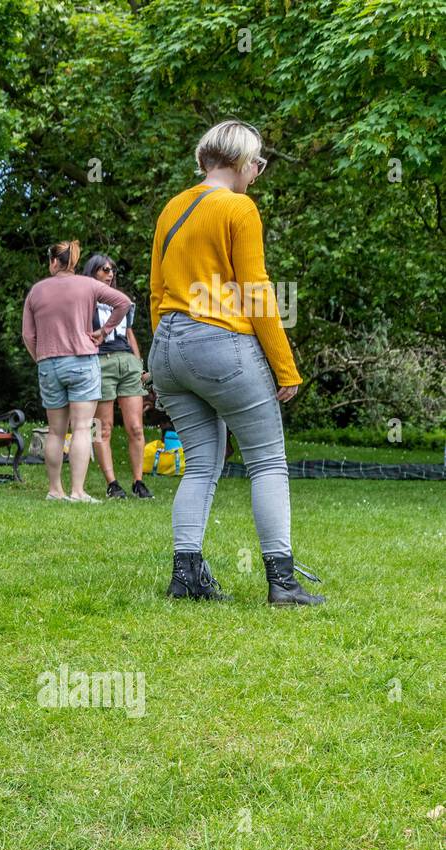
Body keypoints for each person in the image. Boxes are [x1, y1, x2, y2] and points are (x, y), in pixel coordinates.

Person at [148, 120, 322, 604]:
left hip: (168, 344)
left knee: (200, 464)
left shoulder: (172, 208)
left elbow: (156, 292)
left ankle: (186, 576)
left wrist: (160, 353)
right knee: (267, 459)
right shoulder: (239, 208)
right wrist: (284, 369)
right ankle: (283, 583)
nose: (257, 174)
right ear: (244, 163)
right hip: (220, 341)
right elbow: (256, 291)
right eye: (258, 164)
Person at [22, 240, 133, 503]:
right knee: (82, 428)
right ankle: (78, 491)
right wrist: (104, 332)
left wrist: (40, 357)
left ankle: (54, 490)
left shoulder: (36, 291)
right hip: (82, 360)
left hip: (49, 363)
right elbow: (124, 303)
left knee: (56, 430)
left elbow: (27, 334)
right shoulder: (89, 285)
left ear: (53, 262)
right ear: (72, 262)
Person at [82, 254, 153, 499]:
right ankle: (112, 483)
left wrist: (138, 363)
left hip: (127, 363)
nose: (110, 273)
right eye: (104, 269)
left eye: (112, 269)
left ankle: (138, 481)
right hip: (100, 362)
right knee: (103, 428)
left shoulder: (122, 301)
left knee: (135, 426)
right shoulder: (84, 301)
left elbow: (130, 333)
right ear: (92, 272)